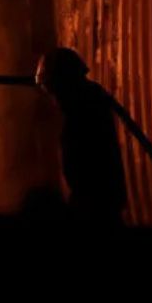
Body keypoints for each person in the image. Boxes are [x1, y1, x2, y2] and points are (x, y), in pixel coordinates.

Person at [35, 47, 126, 227]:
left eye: (53, 91)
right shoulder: (92, 101)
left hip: (97, 215)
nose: (54, 100)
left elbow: (83, 177)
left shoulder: (82, 116)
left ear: (64, 85)